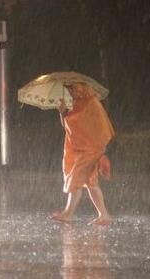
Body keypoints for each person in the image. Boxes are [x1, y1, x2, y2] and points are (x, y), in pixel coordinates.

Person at [51, 82, 115, 226]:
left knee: (76, 179)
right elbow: (70, 128)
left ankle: (68, 213)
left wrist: (65, 113)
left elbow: (77, 126)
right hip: (88, 149)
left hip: (89, 150)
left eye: (72, 89)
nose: (71, 93)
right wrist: (64, 113)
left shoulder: (89, 103)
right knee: (91, 182)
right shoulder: (81, 103)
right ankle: (104, 215)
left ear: (80, 88)